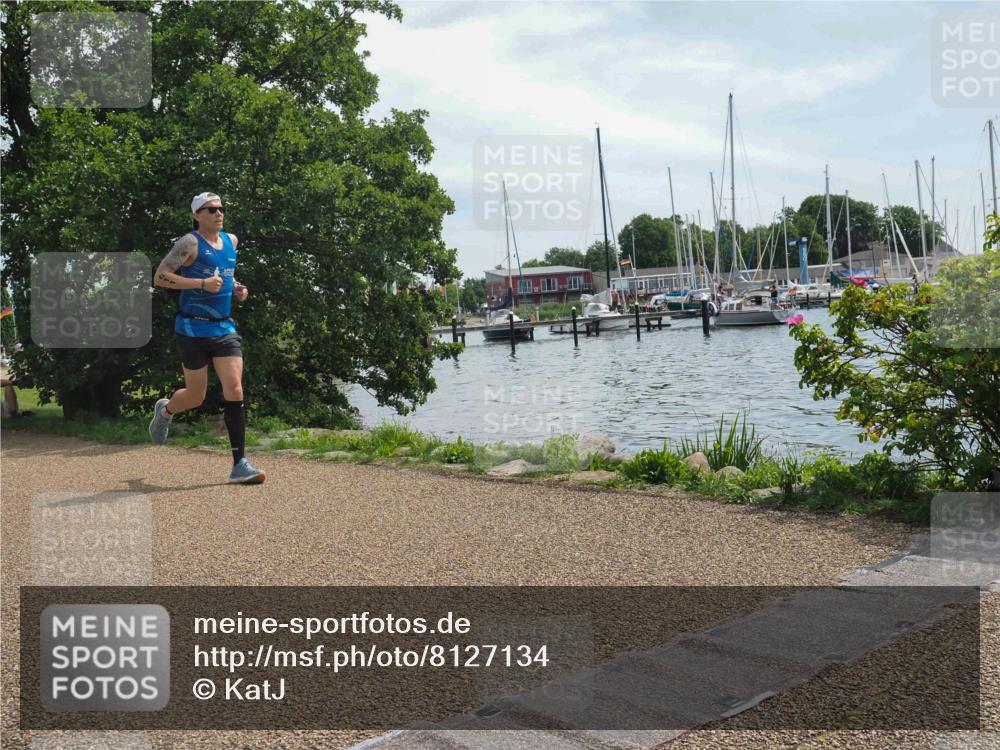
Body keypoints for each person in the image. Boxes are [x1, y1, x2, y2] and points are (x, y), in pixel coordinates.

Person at [148, 192, 265, 484]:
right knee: (196, 396)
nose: (218, 213)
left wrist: (236, 288)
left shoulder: (231, 241)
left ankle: (239, 464)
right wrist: (200, 283)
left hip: (223, 328)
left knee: (234, 388)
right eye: (211, 209)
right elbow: (160, 277)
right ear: (196, 215)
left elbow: (225, 274)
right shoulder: (189, 243)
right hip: (192, 328)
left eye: (221, 208)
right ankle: (166, 410)